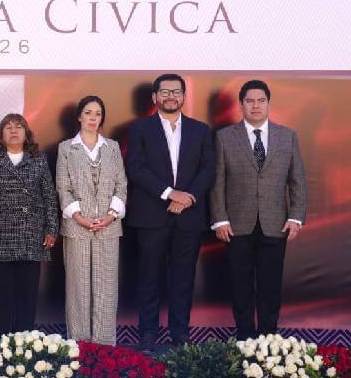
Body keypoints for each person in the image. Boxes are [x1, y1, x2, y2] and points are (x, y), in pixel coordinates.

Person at [210, 80, 307, 339]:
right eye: (250, 101)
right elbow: (217, 181)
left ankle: (268, 341)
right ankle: (244, 340)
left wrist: (296, 216)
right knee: (240, 287)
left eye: (260, 100)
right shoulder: (224, 137)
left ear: (268, 103)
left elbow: (297, 179)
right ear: (241, 104)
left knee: (270, 287)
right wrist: (219, 219)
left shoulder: (288, 136)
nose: (255, 105)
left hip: (275, 223)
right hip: (236, 225)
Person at [126, 74, 215, 350]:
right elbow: (136, 168)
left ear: (184, 97)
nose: (171, 96)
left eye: (176, 92)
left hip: (188, 217)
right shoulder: (140, 129)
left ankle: (180, 334)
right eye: (164, 92)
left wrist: (186, 198)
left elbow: (208, 169)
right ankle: (148, 334)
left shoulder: (201, 130)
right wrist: (169, 193)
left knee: (183, 279)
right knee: (148, 278)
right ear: (154, 97)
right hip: (151, 215)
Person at [0, 113, 59, 337]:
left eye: (19, 126)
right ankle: (4, 341)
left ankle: (24, 343)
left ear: (26, 133)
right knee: (2, 294)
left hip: (31, 233)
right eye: (8, 127)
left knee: (28, 293)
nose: (14, 131)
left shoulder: (38, 158)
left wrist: (51, 229)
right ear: (1, 133)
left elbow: (49, 196)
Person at [55, 97, 127, 345]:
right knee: (78, 286)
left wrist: (111, 215)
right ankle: (79, 345)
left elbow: (122, 184)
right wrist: (79, 217)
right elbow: (62, 187)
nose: (93, 117)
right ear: (79, 116)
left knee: (106, 285)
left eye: (98, 113)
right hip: (77, 227)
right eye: (88, 112)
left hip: (109, 227)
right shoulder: (66, 148)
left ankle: (105, 345)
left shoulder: (113, 147)